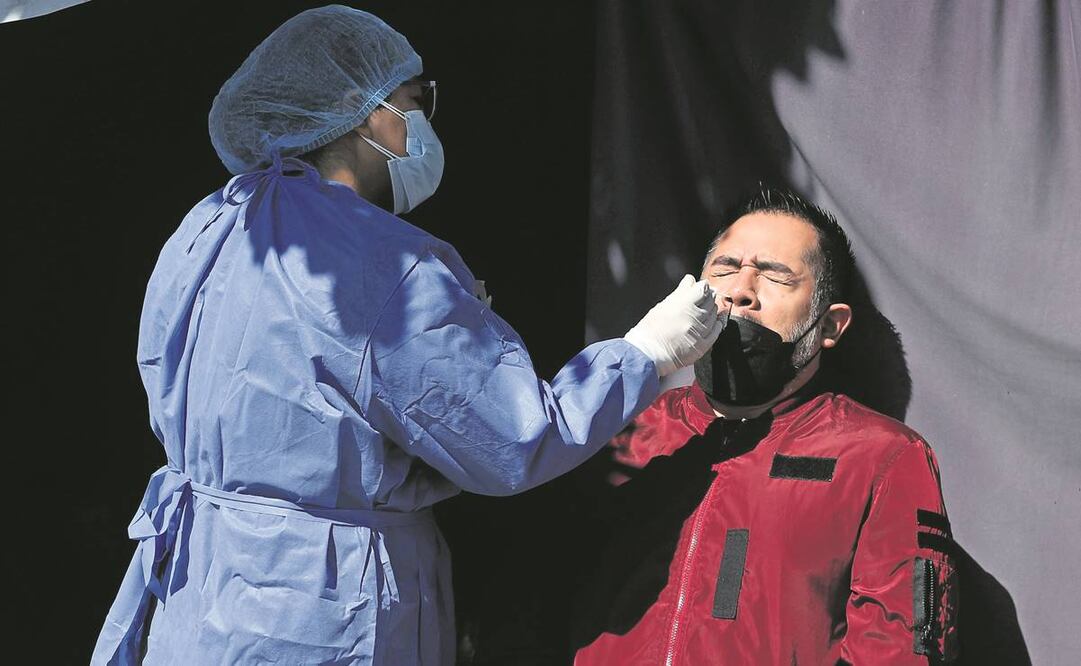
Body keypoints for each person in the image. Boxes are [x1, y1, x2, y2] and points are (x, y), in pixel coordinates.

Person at [90, 6, 725, 665]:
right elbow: (512, 438)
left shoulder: (208, 226)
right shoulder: (385, 262)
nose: (423, 119)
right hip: (319, 611)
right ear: (364, 111)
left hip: (199, 590)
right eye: (415, 100)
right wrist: (646, 353)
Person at [567, 188, 959, 664]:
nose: (739, 290)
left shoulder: (884, 457)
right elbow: (531, 595)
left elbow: (903, 648)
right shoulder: (622, 431)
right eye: (725, 268)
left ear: (830, 326)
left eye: (776, 277)